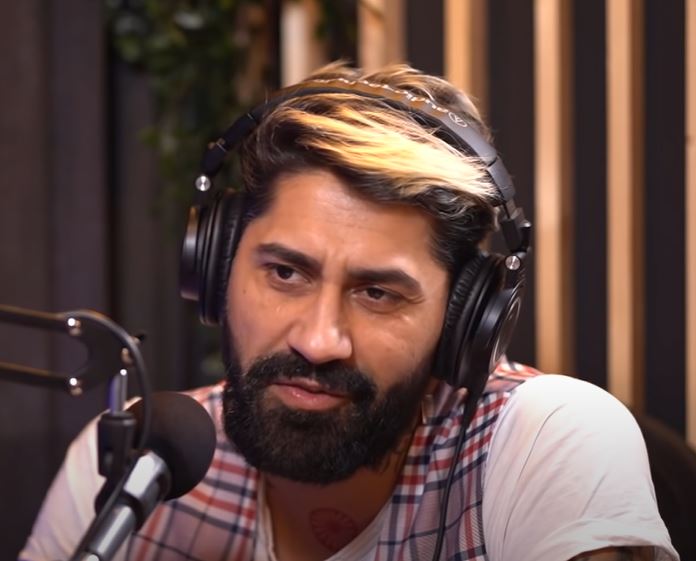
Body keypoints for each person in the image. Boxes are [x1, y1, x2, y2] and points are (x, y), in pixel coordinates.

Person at [20, 62, 678, 561]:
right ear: (216, 268)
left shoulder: (543, 441)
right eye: (285, 273)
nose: (318, 340)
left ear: (461, 319)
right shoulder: (133, 467)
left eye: (378, 292)